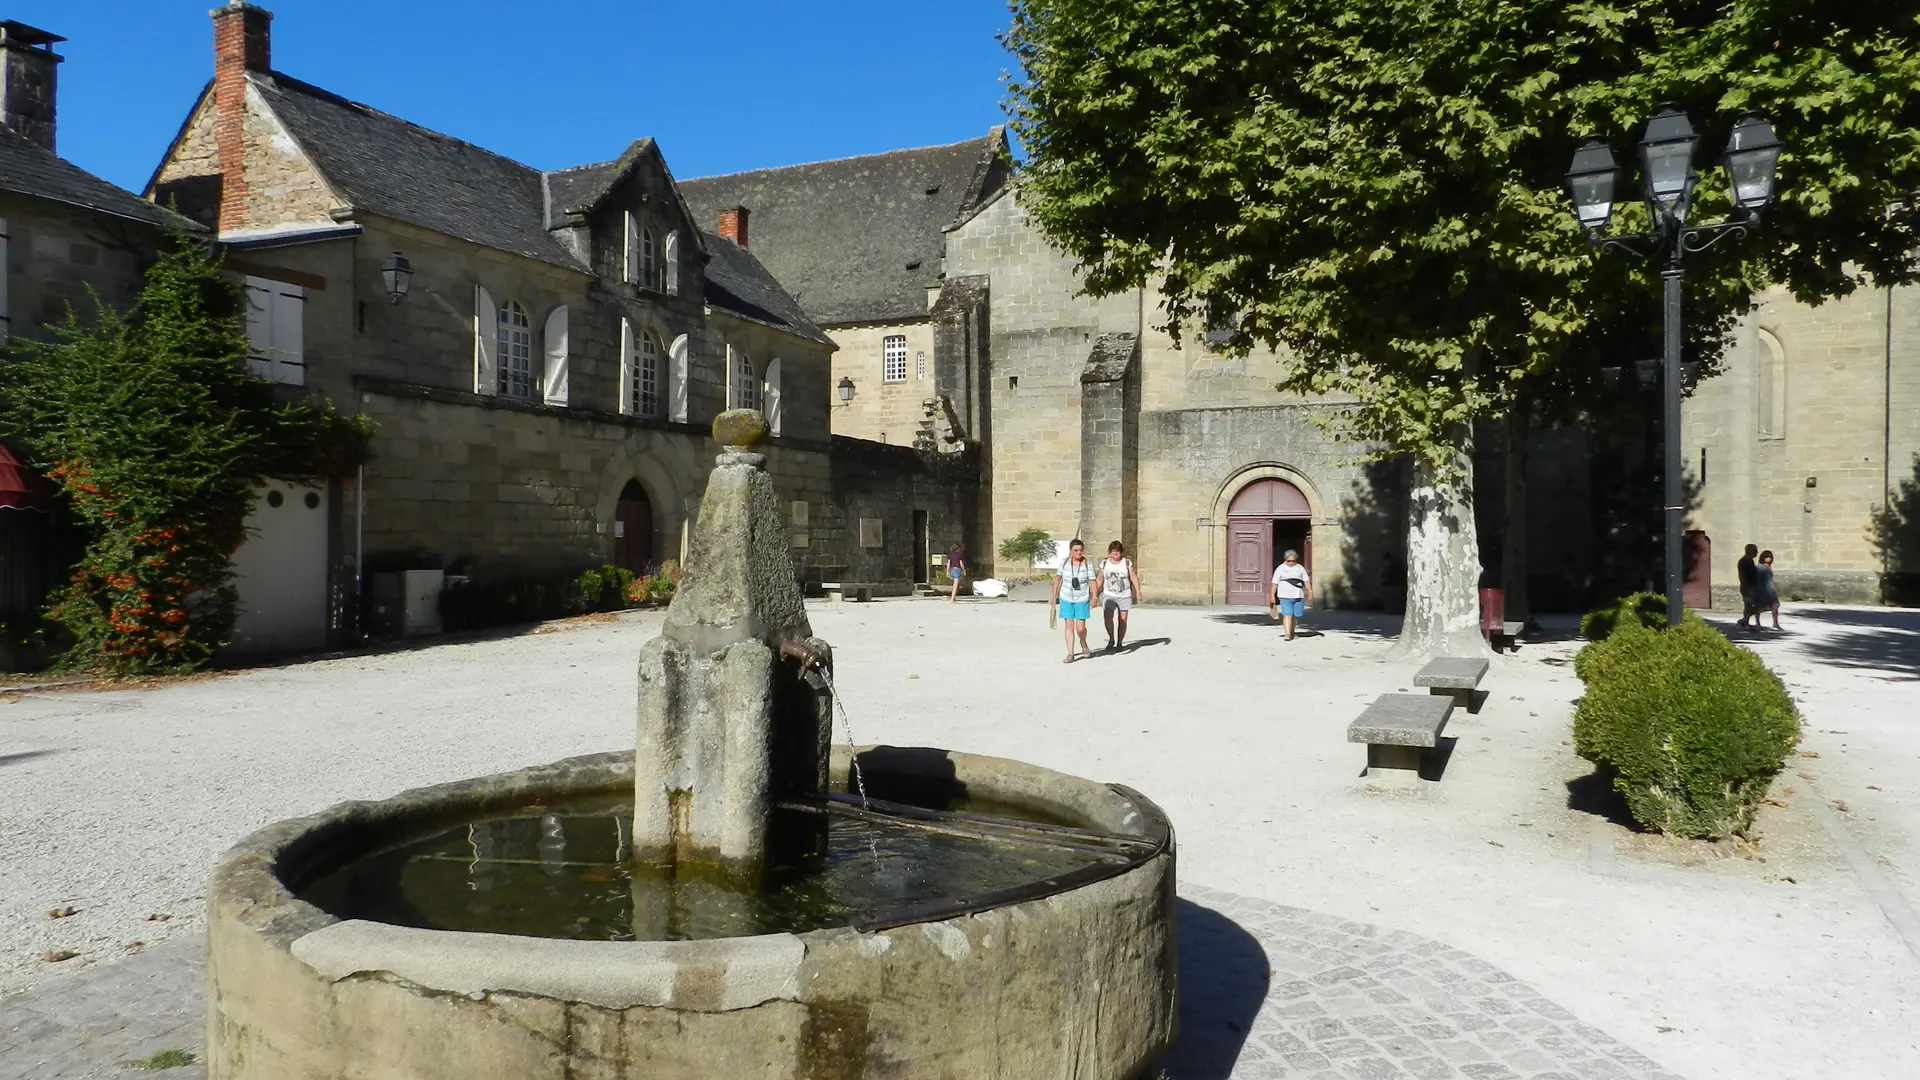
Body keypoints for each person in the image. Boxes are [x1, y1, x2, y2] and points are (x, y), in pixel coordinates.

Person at [1093, 540, 1143, 651]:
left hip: (1124, 594)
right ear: (1110, 552)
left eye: (1118, 552)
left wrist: (1138, 591)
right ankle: (1111, 638)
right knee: (1108, 618)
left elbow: (1134, 578)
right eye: (1114, 551)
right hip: (1108, 594)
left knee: (1122, 619)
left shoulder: (1127, 563)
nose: (1116, 554)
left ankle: (1120, 642)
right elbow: (1100, 579)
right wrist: (1094, 594)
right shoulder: (1105, 563)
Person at [1051, 538, 1094, 662]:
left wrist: (1095, 597)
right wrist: (1054, 596)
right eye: (1076, 550)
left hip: (1082, 598)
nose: (1079, 553)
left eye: (1080, 550)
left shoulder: (1087, 564)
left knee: (1080, 628)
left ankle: (1083, 642)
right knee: (1069, 626)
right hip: (1066, 597)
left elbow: (1092, 581)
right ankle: (1070, 654)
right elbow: (1058, 579)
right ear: (1071, 551)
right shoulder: (1064, 563)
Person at [1268, 549, 1312, 641]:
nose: (1291, 563)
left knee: (1296, 615)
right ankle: (1287, 633)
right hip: (1284, 595)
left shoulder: (1300, 568)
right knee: (1288, 614)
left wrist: (1310, 592)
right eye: (1289, 561)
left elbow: (1306, 581)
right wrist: (1272, 595)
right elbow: (1274, 583)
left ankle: (1292, 631)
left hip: (1298, 595)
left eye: (1293, 561)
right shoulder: (1280, 569)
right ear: (1285, 559)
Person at [1755, 549, 1782, 630]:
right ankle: (1757, 623)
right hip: (1761, 588)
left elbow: (1770, 578)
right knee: (1758, 607)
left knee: (1775, 605)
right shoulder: (1759, 567)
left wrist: (1775, 585)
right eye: (1766, 557)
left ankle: (1775, 623)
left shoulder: (1769, 567)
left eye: (1770, 557)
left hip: (1770, 589)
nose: (1768, 559)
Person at [1736, 543, 1760, 630]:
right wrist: (1747, 587)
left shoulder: (1749, 560)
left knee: (1752, 606)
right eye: (1755, 551)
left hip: (1750, 586)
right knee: (1748, 605)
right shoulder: (1745, 561)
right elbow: (1743, 575)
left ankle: (1744, 620)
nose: (1757, 553)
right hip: (1747, 587)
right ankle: (1745, 622)